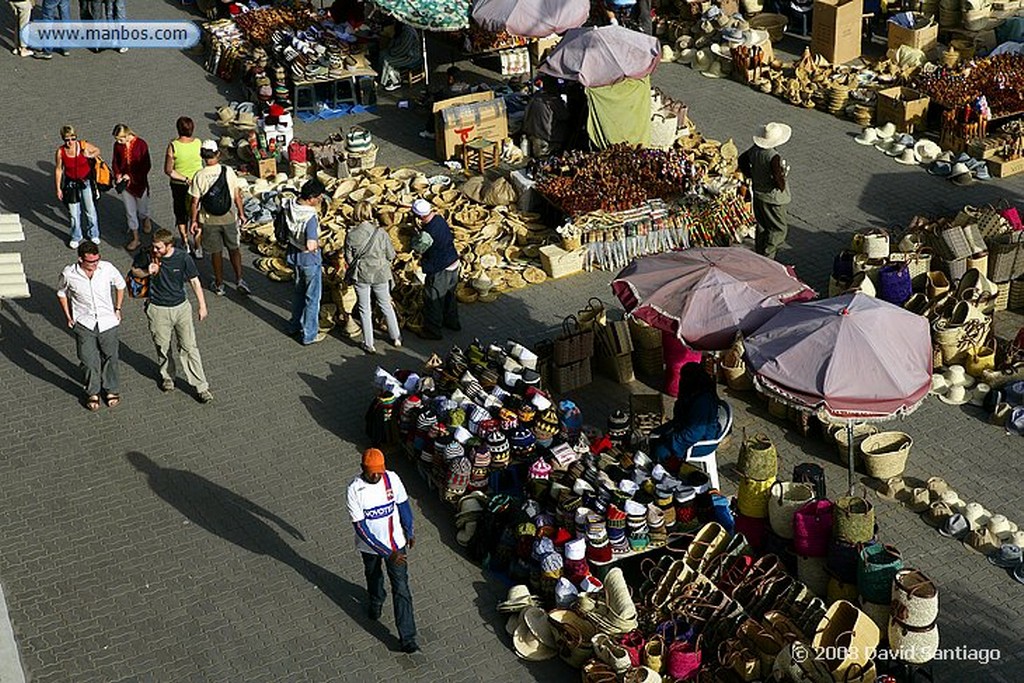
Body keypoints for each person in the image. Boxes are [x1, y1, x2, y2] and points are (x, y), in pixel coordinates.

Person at [346, 448, 419, 653]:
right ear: (363, 469)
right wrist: (387, 553)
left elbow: (403, 505)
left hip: (396, 544)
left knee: (402, 588)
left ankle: (408, 637)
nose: (376, 475)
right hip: (370, 548)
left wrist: (409, 530)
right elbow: (360, 528)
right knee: (373, 575)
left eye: (379, 471)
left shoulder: (392, 479)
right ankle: (376, 599)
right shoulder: (354, 490)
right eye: (372, 472)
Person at [130, 229, 213, 403]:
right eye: (154, 247)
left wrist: (202, 306)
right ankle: (168, 377)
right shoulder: (148, 255)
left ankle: (201, 386)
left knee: (189, 347)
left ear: (169, 246)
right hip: (157, 309)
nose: (155, 251)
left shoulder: (183, 258)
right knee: (162, 346)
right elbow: (134, 271)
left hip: (181, 308)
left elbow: (195, 281)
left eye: (159, 248)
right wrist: (147, 271)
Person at [57, 242, 126, 411]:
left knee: (110, 356)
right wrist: (68, 316)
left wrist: (117, 309)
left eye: (97, 260)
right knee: (88, 359)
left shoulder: (107, 268)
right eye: (91, 262)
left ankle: (111, 389)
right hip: (84, 322)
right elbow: (61, 293)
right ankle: (92, 391)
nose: (95, 265)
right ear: (81, 259)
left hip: (107, 321)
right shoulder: (69, 274)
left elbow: (120, 285)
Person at [188, 139, 250, 296]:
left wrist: (194, 221)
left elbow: (195, 202)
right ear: (218, 153)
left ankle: (219, 284)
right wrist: (242, 214)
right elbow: (237, 195)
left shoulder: (199, 176)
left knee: (216, 253)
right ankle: (240, 279)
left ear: (202, 156)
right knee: (234, 250)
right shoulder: (228, 171)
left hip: (209, 220)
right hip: (229, 217)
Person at [345, 201, 402, 354]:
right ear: (370, 213)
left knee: (364, 308)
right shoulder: (381, 233)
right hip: (380, 273)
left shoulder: (351, 234)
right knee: (386, 305)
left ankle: (369, 343)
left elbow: (349, 259)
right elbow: (391, 254)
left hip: (361, 274)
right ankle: (396, 337)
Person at [649, 362, 721, 473]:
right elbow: (679, 419)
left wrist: (670, 439)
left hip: (702, 440)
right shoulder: (693, 393)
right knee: (652, 438)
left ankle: (668, 474)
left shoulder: (702, 402)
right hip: (688, 429)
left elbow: (694, 433)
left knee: (660, 451)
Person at [280, 177, 326, 345]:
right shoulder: (310, 217)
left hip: (294, 257)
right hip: (309, 260)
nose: (320, 200)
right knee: (312, 298)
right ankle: (309, 334)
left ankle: (294, 325)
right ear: (311, 197)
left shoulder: (290, 205)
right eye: (319, 197)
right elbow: (311, 244)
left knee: (298, 293)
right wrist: (315, 246)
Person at [739, 122, 792, 260]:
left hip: (758, 192)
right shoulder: (773, 156)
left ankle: (759, 252)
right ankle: (769, 256)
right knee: (778, 228)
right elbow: (777, 178)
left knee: (762, 225)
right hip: (772, 198)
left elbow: (742, 160)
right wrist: (780, 183)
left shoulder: (755, 149)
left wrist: (751, 174)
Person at [410, 198, 459, 340]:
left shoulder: (427, 234)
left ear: (420, 216)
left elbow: (419, 248)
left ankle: (433, 331)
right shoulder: (439, 219)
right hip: (453, 262)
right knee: (449, 295)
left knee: (434, 299)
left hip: (439, 267)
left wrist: (414, 238)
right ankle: (452, 322)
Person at [54, 125, 101, 249]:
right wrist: (58, 188)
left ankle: (93, 233)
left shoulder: (83, 145)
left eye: (73, 139)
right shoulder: (60, 152)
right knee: (74, 214)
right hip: (71, 184)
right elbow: (59, 169)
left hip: (85, 181)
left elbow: (97, 150)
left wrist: (89, 155)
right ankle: (76, 236)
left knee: (90, 210)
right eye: (67, 140)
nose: (70, 142)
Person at [164, 116, 204, 258]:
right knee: (197, 215)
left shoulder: (173, 146)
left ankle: (186, 243)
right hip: (197, 184)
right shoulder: (198, 142)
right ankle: (198, 247)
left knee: (181, 214)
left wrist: (185, 178)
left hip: (180, 185)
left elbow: (169, 170)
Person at [111, 124, 152, 252]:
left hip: (139, 183)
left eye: (120, 139)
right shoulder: (118, 146)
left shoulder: (141, 144)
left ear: (127, 135)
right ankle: (136, 237)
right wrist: (117, 174)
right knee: (130, 211)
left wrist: (131, 176)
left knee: (142, 208)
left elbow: (146, 165)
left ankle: (145, 218)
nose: (118, 142)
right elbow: (115, 162)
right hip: (125, 185)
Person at [523, 77, 570, 158]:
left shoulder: (536, 97)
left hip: (532, 133)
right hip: (546, 136)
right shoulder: (554, 101)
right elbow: (565, 116)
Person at [419, 66, 470, 140]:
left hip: (449, 113)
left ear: (451, 78)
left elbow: (436, 98)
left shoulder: (447, 92)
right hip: (463, 111)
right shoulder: (467, 88)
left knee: (434, 109)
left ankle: (430, 131)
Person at [378, 21, 422, 91]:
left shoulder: (408, 31)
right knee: (383, 54)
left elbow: (404, 48)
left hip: (411, 57)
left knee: (388, 61)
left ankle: (395, 82)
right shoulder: (400, 28)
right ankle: (386, 77)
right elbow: (394, 42)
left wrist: (392, 53)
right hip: (402, 53)